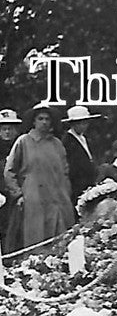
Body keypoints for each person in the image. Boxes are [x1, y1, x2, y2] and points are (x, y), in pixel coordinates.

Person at [3, 104, 75, 250]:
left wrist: (66, 193)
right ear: (33, 121)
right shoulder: (23, 141)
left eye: (47, 119)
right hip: (33, 198)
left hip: (57, 198)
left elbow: (65, 172)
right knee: (34, 238)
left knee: (60, 238)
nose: (44, 122)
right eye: (40, 118)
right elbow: (9, 172)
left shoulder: (57, 144)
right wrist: (18, 195)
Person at [62, 105, 101, 205]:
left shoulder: (85, 138)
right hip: (76, 185)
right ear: (73, 124)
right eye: (80, 123)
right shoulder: (67, 141)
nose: (84, 125)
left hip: (88, 184)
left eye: (86, 122)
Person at [0, 109, 22, 248]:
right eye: (4, 128)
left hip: (17, 195)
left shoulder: (22, 146)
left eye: (10, 128)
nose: (7, 132)